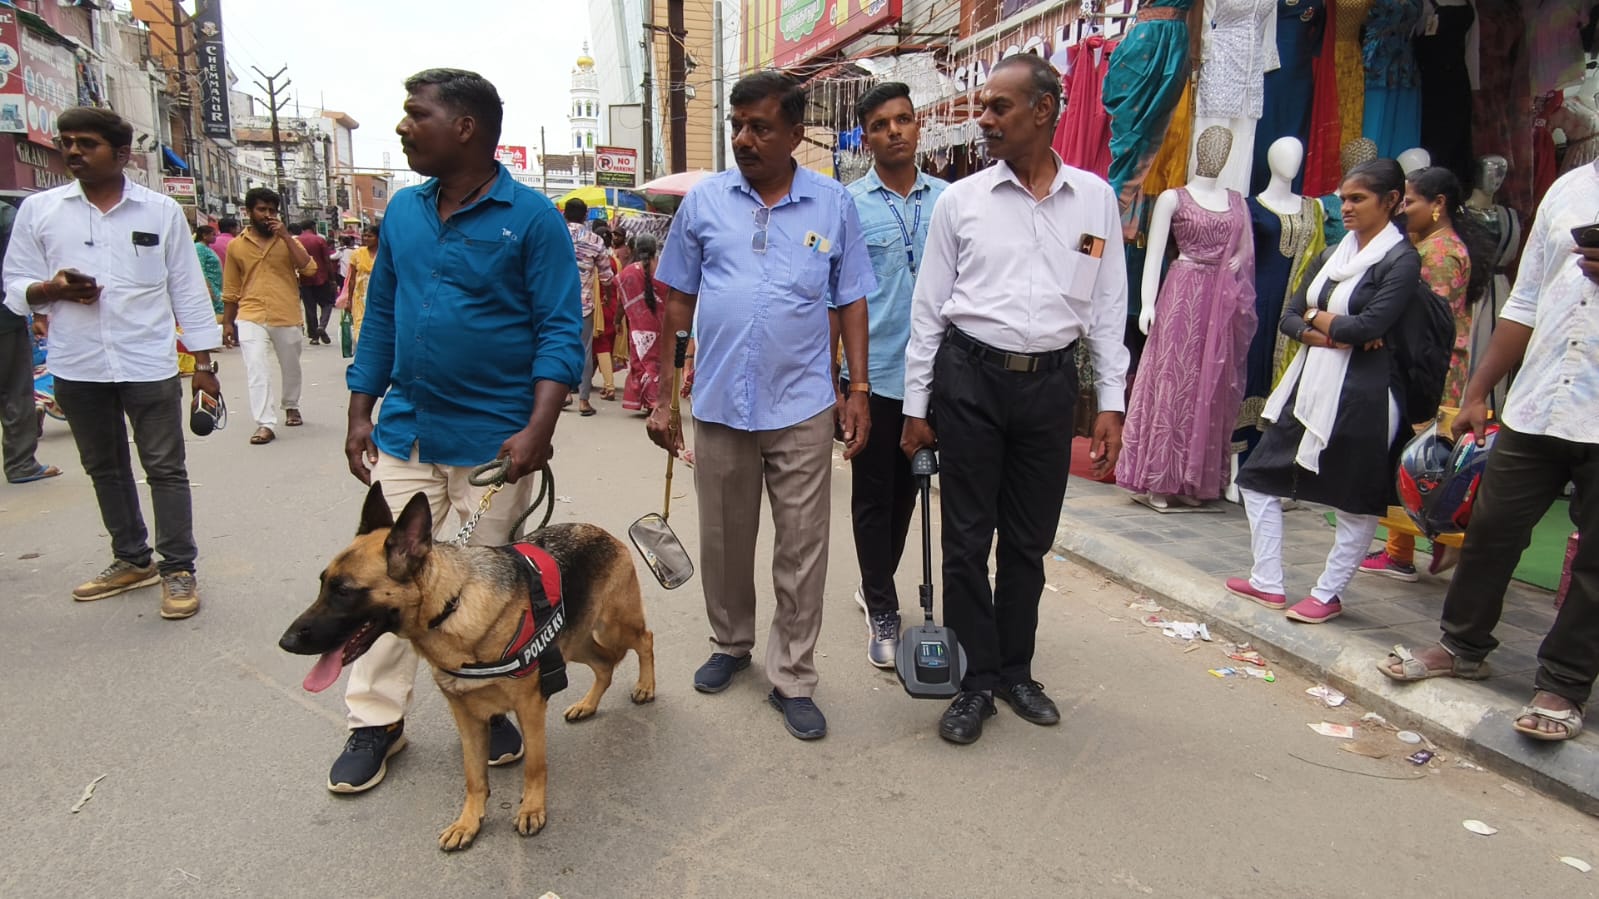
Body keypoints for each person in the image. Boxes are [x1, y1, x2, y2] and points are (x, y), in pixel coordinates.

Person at [329, 68, 584, 793]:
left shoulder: (531, 219)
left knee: (487, 590)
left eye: (417, 115)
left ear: (464, 127)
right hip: (406, 432)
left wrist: (538, 426)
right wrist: (359, 410)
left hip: (494, 445)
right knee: (383, 579)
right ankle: (375, 720)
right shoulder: (405, 214)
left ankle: (492, 698)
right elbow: (379, 316)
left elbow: (560, 329)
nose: (404, 127)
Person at [900, 54, 1129, 745]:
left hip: (1050, 387)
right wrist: (916, 405)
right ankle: (973, 682)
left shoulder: (1095, 201)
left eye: (1000, 107)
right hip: (969, 380)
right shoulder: (960, 202)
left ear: (1043, 111)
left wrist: (1111, 402)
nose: (985, 119)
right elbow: (927, 309)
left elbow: (1108, 306)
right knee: (967, 541)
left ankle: (1015, 669)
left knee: (1027, 541)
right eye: (984, 106)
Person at [650, 70, 875, 741]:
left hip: (802, 404)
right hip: (718, 402)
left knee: (802, 548)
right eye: (736, 125)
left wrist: (856, 389)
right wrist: (664, 397)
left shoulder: (833, 205)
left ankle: (794, 675)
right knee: (722, 539)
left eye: (760, 126)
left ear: (793, 133)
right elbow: (676, 301)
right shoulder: (705, 203)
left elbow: (852, 299)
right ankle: (730, 642)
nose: (744, 138)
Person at [1378, 160, 1598, 743]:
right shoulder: (1568, 189)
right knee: (1492, 527)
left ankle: (1565, 683)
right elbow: (1525, 301)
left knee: (1598, 561)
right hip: (1538, 402)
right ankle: (1462, 645)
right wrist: (1477, 390)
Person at [1, 106, 222, 618]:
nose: (73, 151)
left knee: (165, 468)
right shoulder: (41, 210)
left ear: (121, 154)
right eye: (67, 142)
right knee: (105, 467)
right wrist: (49, 290)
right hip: (77, 366)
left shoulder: (160, 211)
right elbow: (15, 283)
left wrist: (204, 363)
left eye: (87, 143)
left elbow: (187, 289)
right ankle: (131, 558)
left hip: (148, 362)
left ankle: (177, 567)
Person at [1227, 159, 1422, 624]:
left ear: (1391, 201)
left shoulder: (1401, 260)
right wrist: (1330, 329)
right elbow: (1291, 316)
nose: (1345, 206)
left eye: (1358, 198)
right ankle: (1268, 581)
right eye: (1343, 197)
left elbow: (1371, 325)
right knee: (1256, 480)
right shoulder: (1333, 254)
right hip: (1310, 384)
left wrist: (1322, 322)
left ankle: (1328, 592)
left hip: (1365, 395)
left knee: (1354, 499)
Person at [841, 81, 949, 668]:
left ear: (918, 126)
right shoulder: (847, 205)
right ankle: (882, 604)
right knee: (872, 495)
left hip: (936, 376)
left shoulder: (950, 200)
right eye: (881, 124)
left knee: (911, 491)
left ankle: (872, 582)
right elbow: (837, 295)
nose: (895, 131)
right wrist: (844, 384)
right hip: (874, 374)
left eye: (904, 120)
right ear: (866, 136)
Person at [1360, 165, 1492, 581]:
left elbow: (1427, 324)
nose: (1404, 210)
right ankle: (1418, 545)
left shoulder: (1439, 255)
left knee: (1419, 461)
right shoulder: (1430, 245)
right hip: (1432, 367)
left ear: (1439, 205)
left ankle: (1416, 548)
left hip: (1431, 373)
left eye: (1411, 202)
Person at [222, 187, 315, 445]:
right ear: (249, 212)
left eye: (272, 210)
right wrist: (228, 322)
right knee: (256, 368)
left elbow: (308, 268)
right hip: (251, 313)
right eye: (261, 209)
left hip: (286, 312)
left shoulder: (287, 241)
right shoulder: (236, 246)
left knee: (291, 365)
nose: (267, 215)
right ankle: (265, 423)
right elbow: (231, 287)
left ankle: (291, 404)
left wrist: (285, 235)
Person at [0, 199, 59, 485]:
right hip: (5, 318)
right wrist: (40, 313)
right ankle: (20, 463)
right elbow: (23, 268)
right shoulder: (5, 215)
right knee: (15, 391)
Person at [562, 198, 610, 417]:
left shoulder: (555, 234)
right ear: (585, 215)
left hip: (556, 304)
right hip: (584, 306)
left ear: (564, 214)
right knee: (585, 351)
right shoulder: (595, 240)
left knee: (558, 348)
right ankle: (583, 401)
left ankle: (563, 394)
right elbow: (607, 277)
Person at [618, 233, 664, 413]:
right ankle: (654, 401)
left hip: (638, 325)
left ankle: (647, 401)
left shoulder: (628, 272)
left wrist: (617, 320)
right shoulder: (663, 269)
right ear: (655, 250)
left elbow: (622, 300)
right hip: (660, 325)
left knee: (640, 361)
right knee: (656, 362)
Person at [590, 220, 622, 402]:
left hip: (600, 308)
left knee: (600, 345)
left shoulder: (598, 261)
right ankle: (588, 381)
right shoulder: (615, 261)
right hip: (613, 306)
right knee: (604, 346)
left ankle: (609, 386)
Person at [334, 222, 379, 346]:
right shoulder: (357, 254)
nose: (366, 238)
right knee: (360, 326)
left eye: (370, 236)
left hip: (378, 296)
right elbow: (352, 278)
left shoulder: (383, 254)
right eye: (364, 236)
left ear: (378, 238)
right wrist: (349, 300)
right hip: (360, 296)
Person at [294, 220, 337, 345]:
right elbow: (327, 260)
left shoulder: (297, 241)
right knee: (327, 304)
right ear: (313, 227)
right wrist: (332, 279)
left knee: (310, 308)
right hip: (321, 277)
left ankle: (314, 337)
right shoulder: (319, 240)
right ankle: (322, 326)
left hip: (304, 278)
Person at [193, 225, 223, 319]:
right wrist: (209, 289)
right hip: (210, 286)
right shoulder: (199, 247)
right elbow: (201, 269)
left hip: (216, 286)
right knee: (219, 311)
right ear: (204, 235)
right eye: (213, 235)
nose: (215, 237)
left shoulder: (207, 247)